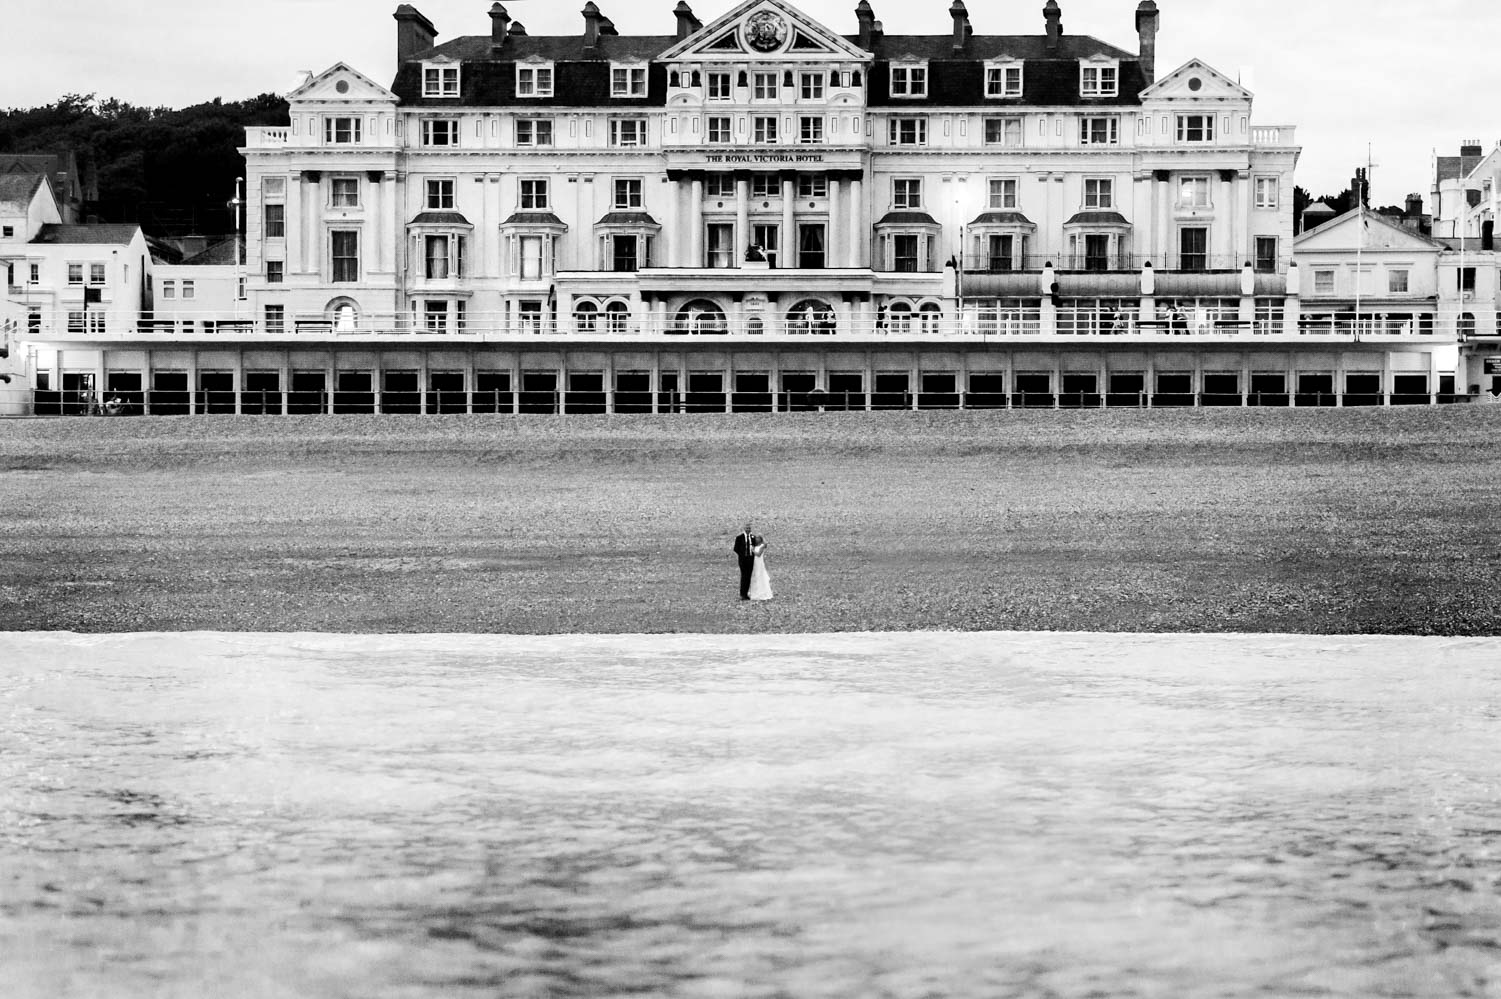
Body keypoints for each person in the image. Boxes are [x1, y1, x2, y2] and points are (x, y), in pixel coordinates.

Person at [733, 522, 766, 601]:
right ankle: (742, 594)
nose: (748, 529)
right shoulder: (739, 537)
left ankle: (746, 594)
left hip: (751, 560)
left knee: (748, 577)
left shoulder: (753, 537)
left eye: (749, 528)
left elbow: (759, 545)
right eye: (747, 528)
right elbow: (736, 548)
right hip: (743, 560)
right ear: (744, 529)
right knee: (744, 576)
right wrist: (742, 555)